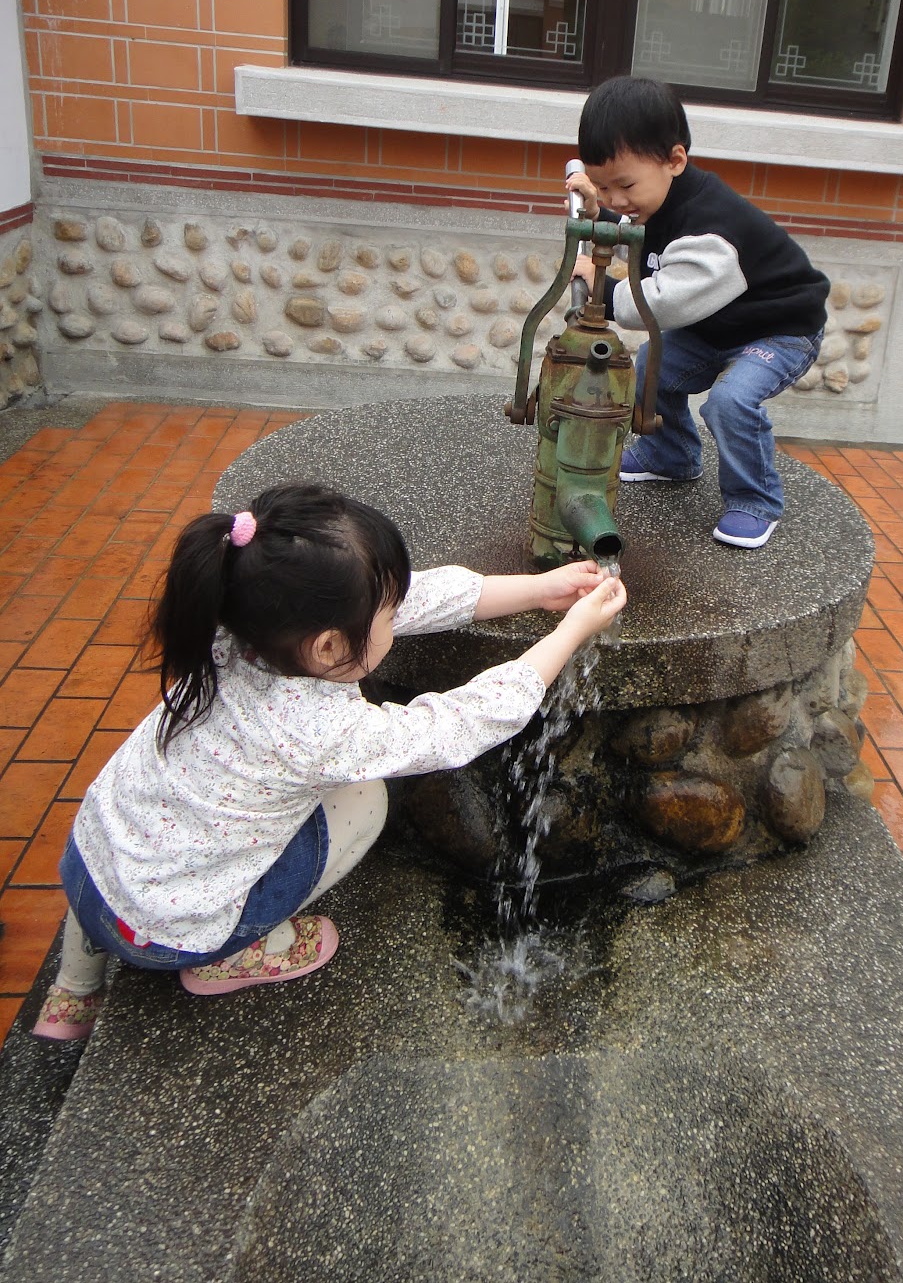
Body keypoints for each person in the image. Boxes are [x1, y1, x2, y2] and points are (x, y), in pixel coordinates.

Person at [32, 483, 625, 1041]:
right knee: (365, 801)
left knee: (130, 847)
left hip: (89, 867)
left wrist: (537, 589)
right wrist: (568, 633)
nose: (397, 618)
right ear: (328, 647)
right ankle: (233, 957)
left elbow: (412, 599)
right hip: (176, 934)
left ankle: (73, 993)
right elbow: (455, 725)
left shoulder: (231, 624)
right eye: (387, 617)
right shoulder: (319, 729)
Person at [568, 76, 829, 549]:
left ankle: (755, 500)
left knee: (730, 401)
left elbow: (663, 302)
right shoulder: (657, 201)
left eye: (624, 185)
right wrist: (595, 214)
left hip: (778, 331)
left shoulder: (710, 229)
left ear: (675, 160)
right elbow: (634, 233)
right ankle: (671, 456)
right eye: (603, 186)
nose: (616, 199)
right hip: (715, 326)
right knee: (653, 369)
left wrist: (601, 287)